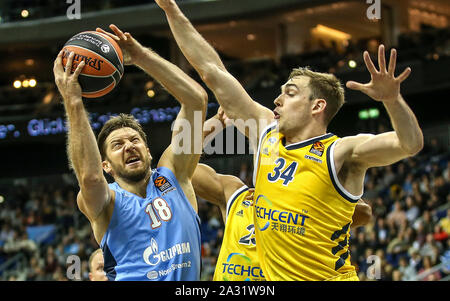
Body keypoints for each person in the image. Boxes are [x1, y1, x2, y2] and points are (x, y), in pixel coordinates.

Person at [155, 0, 423, 281]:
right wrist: (172, 11)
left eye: (290, 93)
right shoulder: (266, 133)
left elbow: (410, 144)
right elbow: (212, 70)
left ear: (317, 107)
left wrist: (393, 101)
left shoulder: (341, 152)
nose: (277, 99)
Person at [53, 24, 207, 280]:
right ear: (106, 166)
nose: (129, 146)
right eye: (117, 145)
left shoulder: (175, 175)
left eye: (134, 140)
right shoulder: (106, 201)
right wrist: (74, 102)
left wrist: (141, 57)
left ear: (147, 151)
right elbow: (89, 178)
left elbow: (195, 101)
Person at [192, 108, 372, 281]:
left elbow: (364, 213)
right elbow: (178, 165)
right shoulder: (234, 194)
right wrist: (216, 122)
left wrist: (298, 197)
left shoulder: (304, 200)